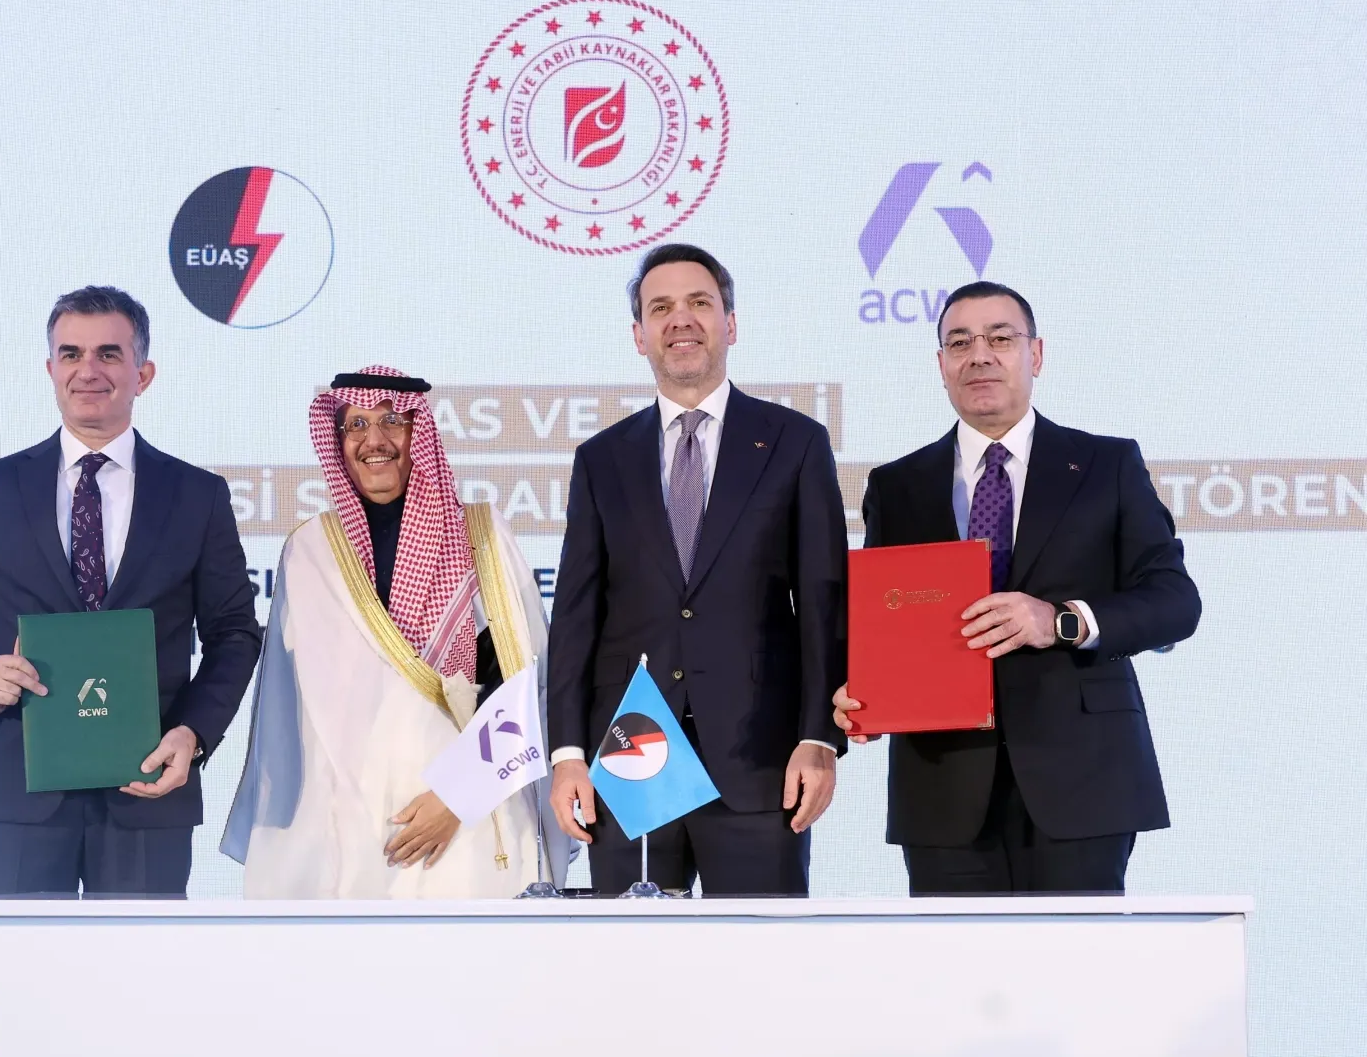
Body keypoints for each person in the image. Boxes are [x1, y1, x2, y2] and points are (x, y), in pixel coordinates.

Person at [834, 281, 1201, 894]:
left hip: (1083, 778)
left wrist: (1058, 620)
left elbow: (1174, 602)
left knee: (1076, 956)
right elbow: (880, 616)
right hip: (942, 785)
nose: (979, 355)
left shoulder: (1106, 465)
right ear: (941, 365)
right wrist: (863, 690)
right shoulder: (897, 485)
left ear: (1036, 354)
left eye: (1000, 338)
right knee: (955, 958)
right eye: (960, 343)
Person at [0, 286, 261, 898]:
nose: (87, 370)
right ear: (50, 369)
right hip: (17, 790)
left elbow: (234, 634)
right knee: (18, 962)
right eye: (70, 354)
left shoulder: (197, 495)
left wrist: (194, 734)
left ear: (143, 374)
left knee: (140, 963)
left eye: (109, 354)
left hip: (149, 787)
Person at [546, 244, 848, 896]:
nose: (680, 319)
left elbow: (824, 606)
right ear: (639, 335)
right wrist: (567, 754)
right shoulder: (601, 459)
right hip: (628, 759)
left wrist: (819, 739)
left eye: (698, 303)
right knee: (632, 956)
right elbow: (574, 617)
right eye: (660, 308)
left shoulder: (795, 443)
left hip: (762, 763)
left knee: (761, 952)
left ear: (729, 324)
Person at [222, 365, 570, 897]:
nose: (374, 441)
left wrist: (457, 796)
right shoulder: (310, 552)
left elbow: (527, 684)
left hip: (468, 817)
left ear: (418, 433)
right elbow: (295, 718)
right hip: (348, 826)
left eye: (392, 421)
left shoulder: (481, 535)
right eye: (356, 425)